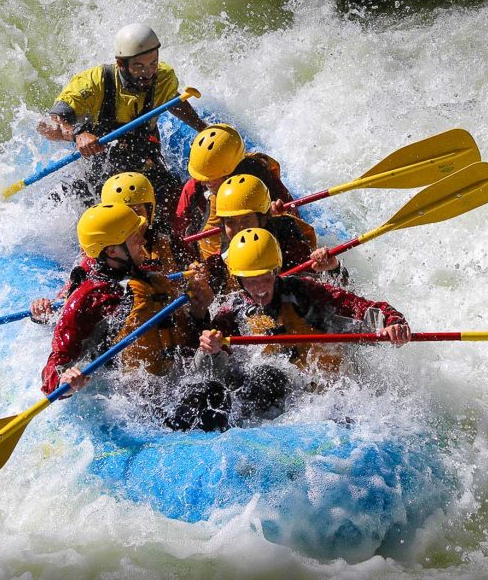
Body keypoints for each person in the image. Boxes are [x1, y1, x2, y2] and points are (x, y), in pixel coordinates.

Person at [165, 228, 410, 432]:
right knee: (253, 380)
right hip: (278, 401)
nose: (260, 288)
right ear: (238, 279)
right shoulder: (232, 312)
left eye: (265, 277)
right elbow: (203, 372)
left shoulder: (304, 292)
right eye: (251, 280)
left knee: (267, 376)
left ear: (276, 270)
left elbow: (362, 306)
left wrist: (392, 322)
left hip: (327, 395)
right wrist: (211, 351)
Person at [37, 23, 208, 229]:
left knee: (177, 207)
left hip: (146, 161)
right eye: (139, 67)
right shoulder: (93, 82)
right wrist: (78, 134)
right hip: (102, 169)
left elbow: (173, 100)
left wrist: (202, 127)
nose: (148, 73)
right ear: (120, 63)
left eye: (153, 63)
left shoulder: (163, 77)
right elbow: (53, 121)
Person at [40, 202, 213, 396]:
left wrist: (200, 310)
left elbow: (186, 336)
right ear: (112, 251)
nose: (143, 241)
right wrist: (64, 382)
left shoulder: (152, 277)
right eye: (134, 237)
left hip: (175, 383)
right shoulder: (87, 299)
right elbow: (54, 366)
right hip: (127, 398)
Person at [30, 172, 187, 323]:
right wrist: (44, 312)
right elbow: (68, 304)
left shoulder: (168, 240)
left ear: (150, 211)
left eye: (137, 211)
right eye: (124, 214)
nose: (132, 221)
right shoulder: (100, 256)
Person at [173, 123, 295, 259]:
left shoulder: (260, 175)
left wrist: (275, 215)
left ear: (230, 173)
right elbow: (177, 231)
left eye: (210, 178)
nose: (203, 182)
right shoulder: (195, 186)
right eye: (201, 177)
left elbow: (293, 214)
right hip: (220, 247)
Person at [209, 173, 345, 289]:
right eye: (230, 222)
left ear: (262, 218)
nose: (239, 229)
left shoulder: (287, 241)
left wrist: (333, 268)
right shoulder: (222, 257)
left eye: (246, 219)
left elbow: (335, 289)